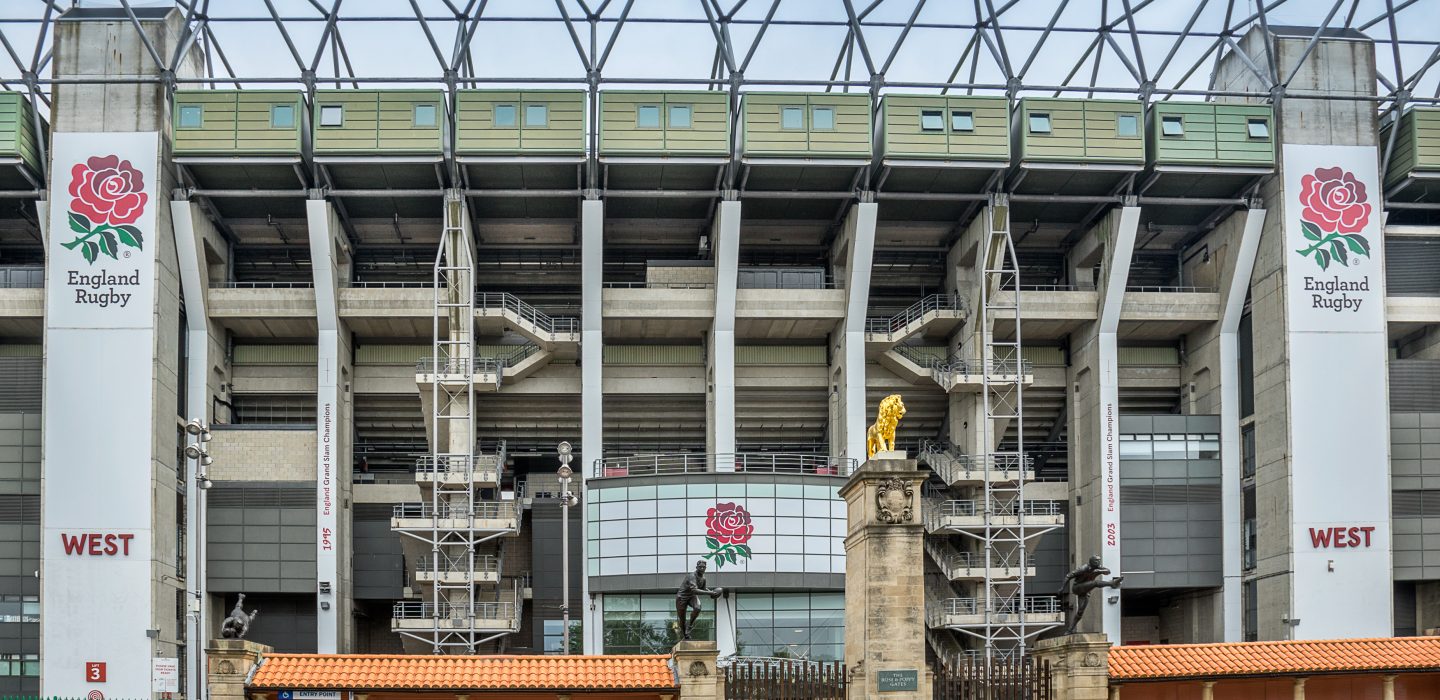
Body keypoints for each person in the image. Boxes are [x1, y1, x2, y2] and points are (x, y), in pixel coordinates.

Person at [1060, 555, 1123, 634]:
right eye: (1096, 561)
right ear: (1092, 562)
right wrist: (1062, 588)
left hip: (1086, 591)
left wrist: (1098, 571)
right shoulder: (1083, 568)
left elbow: (1108, 571)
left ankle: (1070, 630)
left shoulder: (1098, 567)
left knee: (1080, 611)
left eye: (1099, 561)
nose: (1099, 562)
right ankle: (1112, 584)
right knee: (1095, 583)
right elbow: (1068, 576)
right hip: (1077, 587)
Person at [675, 559, 724, 640]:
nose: (702, 569)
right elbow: (694, 590)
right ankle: (685, 634)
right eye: (700, 567)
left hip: (692, 596)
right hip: (682, 597)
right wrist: (710, 593)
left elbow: (703, 588)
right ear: (697, 567)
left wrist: (712, 592)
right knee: (682, 619)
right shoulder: (691, 576)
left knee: (697, 608)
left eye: (704, 567)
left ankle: (690, 625)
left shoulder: (703, 578)